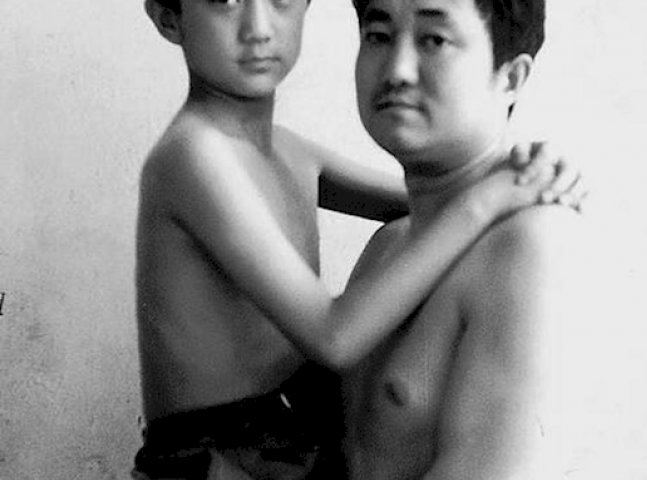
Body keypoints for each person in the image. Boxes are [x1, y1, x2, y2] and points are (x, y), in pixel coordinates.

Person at [134, 0, 584, 478]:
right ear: (167, 16)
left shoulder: (291, 153)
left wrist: (528, 174)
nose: (259, 29)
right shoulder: (195, 154)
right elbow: (335, 335)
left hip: (286, 445)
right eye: (379, 36)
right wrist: (490, 198)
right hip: (205, 459)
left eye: (434, 39)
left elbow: (436, 201)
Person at [344, 0, 589, 478]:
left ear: (511, 77)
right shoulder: (388, 245)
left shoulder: (530, 245)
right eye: (378, 36)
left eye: (434, 40)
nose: (397, 70)